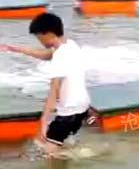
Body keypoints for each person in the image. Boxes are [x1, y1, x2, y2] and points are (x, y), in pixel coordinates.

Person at [0, 13, 91, 157]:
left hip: (69, 112)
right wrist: (15, 49)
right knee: (53, 143)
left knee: (47, 153)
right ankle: (72, 152)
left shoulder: (60, 57)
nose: (39, 40)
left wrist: (44, 122)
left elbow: (54, 90)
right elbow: (46, 55)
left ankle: (72, 160)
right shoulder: (70, 45)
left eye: (39, 36)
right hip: (83, 108)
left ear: (48, 33)